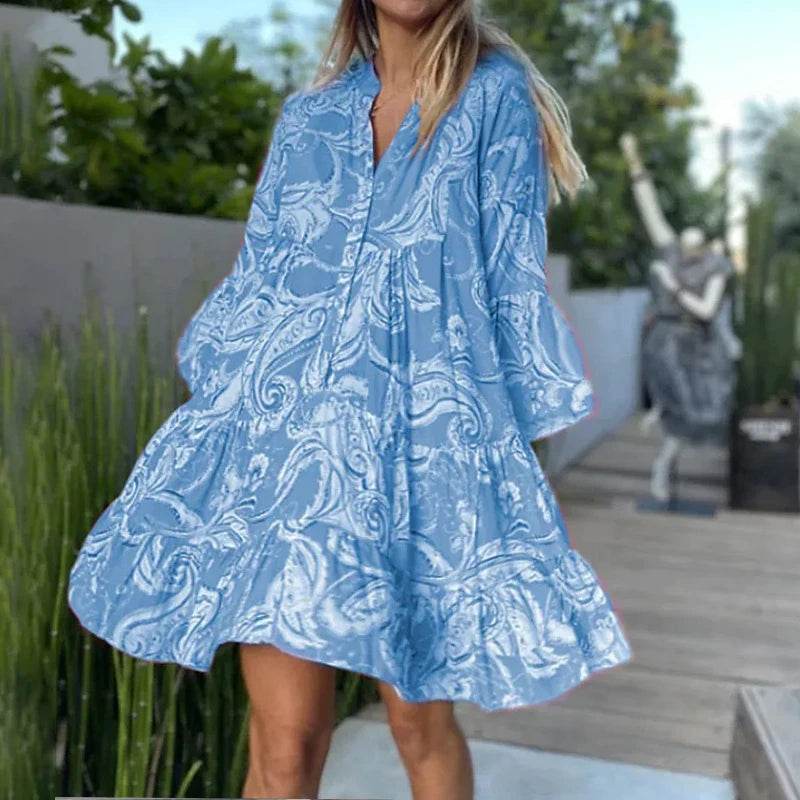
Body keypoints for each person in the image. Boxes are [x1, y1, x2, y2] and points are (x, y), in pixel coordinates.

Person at [67, 2, 632, 798]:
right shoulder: (309, 120)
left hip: (421, 460)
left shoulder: (493, 95)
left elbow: (508, 280)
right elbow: (260, 285)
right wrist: (219, 439)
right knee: (286, 745)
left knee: (417, 726)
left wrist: (495, 463)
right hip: (286, 460)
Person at [620, 132, 740, 503]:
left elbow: (706, 310)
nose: (685, 253)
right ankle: (662, 457)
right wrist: (634, 162)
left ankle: (668, 445)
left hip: (700, 344)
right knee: (679, 405)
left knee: (706, 408)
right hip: (667, 343)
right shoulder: (672, 252)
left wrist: (672, 286)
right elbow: (651, 211)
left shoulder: (714, 268)